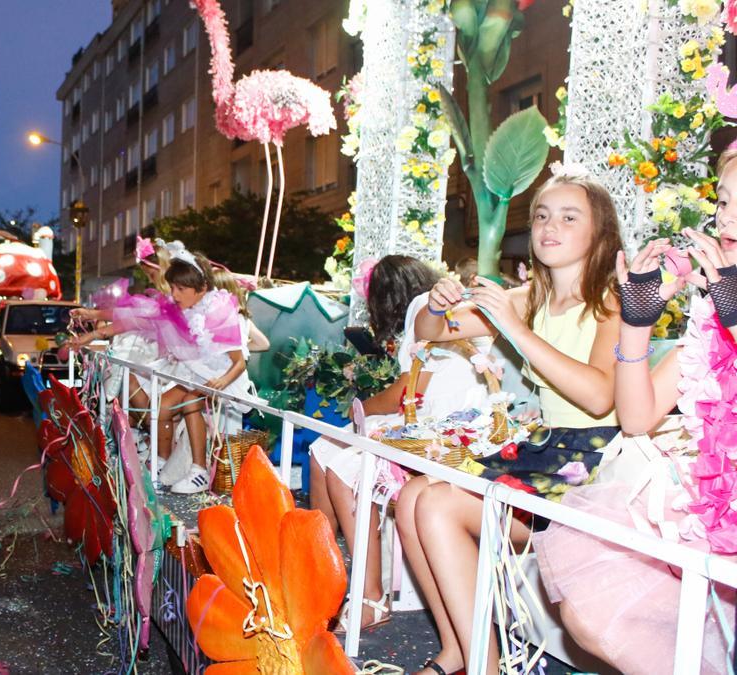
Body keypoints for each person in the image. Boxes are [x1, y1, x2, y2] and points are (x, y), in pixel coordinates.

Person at [397, 167, 623, 675]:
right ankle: (461, 650)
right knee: (410, 496)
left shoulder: (611, 303)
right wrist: (435, 307)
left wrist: (517, 331)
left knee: (433, 503)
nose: (549, 226)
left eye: (569, 217)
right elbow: (430, 333)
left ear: (600, 235)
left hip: (591, 465)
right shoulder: (528, 297)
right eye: (542, 215)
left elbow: (598, 394)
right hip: (543, 449)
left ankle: (485, 665)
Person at [530, 151, 737, 674]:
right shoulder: (716, 308)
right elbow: (637, 417)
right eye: (724, 201)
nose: (727, 219)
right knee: (591, 609)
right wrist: (638, 321)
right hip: (714, 505)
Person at [309, 255, 494, 632]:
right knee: (328, 448)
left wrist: (358, 409)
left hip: (445, 433)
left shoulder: (421, 307)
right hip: (460, 424)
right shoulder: (445, 308)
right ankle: (328, 570)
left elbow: (407, 393)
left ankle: (362, 590)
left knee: (337, 457)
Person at [73, 250, 250, 494]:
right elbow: (133, 316)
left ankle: (199, 469)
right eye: (173, 288)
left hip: (223, 380)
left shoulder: (218, 312)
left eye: (181, 289)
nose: (174, 295)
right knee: (162, 406)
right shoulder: (179, 309)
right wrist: (93, 320)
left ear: (202, 288)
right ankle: (162, 462)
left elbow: (239, 363)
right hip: (191, 375)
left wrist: (221, 381)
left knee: (188, 400)